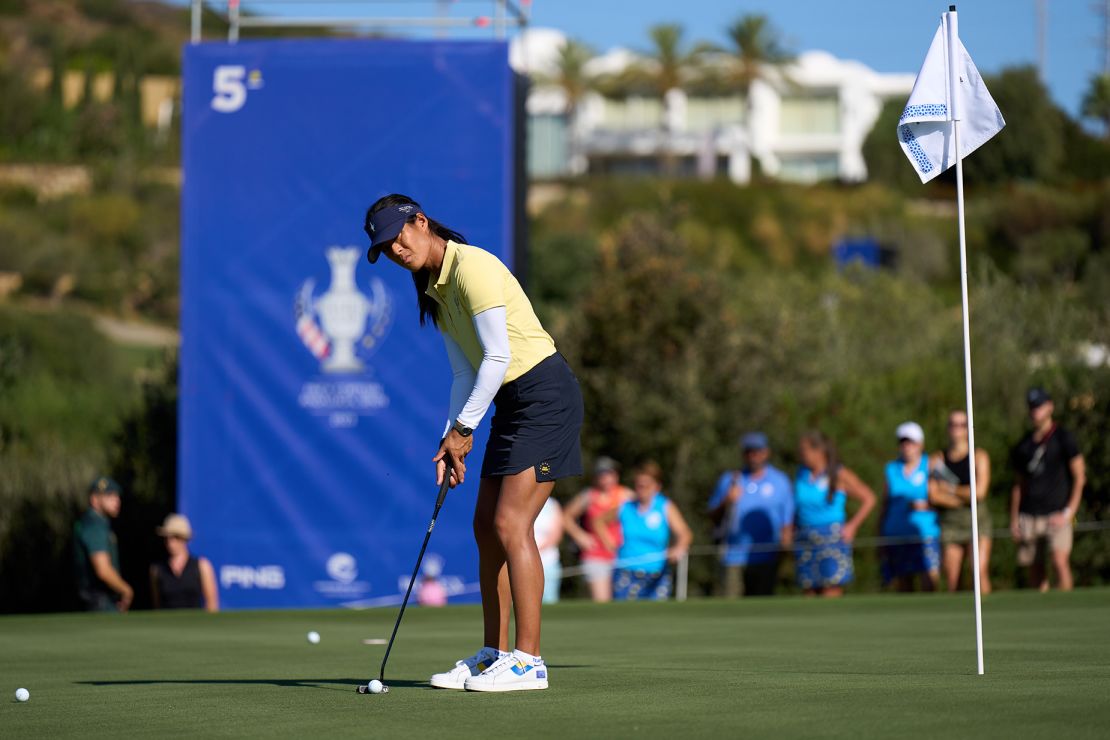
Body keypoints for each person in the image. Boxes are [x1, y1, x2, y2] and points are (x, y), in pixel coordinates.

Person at [364, 194, 583, 692]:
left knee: (511, 523)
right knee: (486, 526)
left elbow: (498, 356)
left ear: (421, 222)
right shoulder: (433, 290)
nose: (396, 250)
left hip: (545, 395)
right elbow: (465, 370)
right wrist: (451, 436)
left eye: (399, 236)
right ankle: (494, 653)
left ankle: (529, 662)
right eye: (386, 247)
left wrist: (465, 431)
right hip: (511, 402)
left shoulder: (473, 267)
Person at [1009, 388, 1086, 592]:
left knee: (1059, 561)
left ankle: (1068, 611)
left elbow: (1080, 477)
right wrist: (1014, 517)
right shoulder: (1024, 445)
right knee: (1035, 569)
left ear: (1050, 407)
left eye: (1040, 406)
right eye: (1032, 407)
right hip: (1030, 513)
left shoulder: (1063, 437)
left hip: (1057, 512)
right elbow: (1018, 485)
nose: (1036, 411)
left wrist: (1069, 513)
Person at [707, 432, 794, 597]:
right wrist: (727, 501)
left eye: (757, 451)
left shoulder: (780, 481)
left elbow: (787, 522)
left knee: (763, 608)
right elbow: (712, 516)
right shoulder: (730, 479)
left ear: (766, 452)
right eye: (749, 451)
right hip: (733, 557)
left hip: (768, 557)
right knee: (732, 608)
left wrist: (785, 552)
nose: (753, 456)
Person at [793, 431, 876, 597]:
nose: (802, 455)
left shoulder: (838, 473)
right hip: (805, 537)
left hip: (831, 537)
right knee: (808, 588)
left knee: (831, 587)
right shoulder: (802, 474)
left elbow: (869, 498)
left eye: (805, 450)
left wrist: (852, 526)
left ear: (818, 451)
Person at [929, 410, 993, 593]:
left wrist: (949, 489)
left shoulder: (979, 456)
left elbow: (979, 492)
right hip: (950, 523)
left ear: (968, 428)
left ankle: (987, 615)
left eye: (962, 424)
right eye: (952, 424)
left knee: (978, 571)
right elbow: (934, 495)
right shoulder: (938, 458)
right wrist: (963, 497)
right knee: (952, 577)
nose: (956, 428)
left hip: (977, 520)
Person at [611, 462, 693, 601]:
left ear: (656, 486)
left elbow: (684, 533)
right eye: (638, 485)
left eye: (646, 485)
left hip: (657, 574)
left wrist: (679, 547)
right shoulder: (626, 507)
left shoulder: (664, 506)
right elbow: (598, 521)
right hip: (626, 572)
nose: (641, 489)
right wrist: (610, 544)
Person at [879, 422, 941, 592]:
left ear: (920, 444)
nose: (906, 446)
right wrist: (880, 535)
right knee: (903, 586)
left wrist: (927, 504)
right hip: (896, 534)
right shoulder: (891, 469)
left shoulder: (932, 464)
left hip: (925, 533)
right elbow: (884, 504)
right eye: (903, 442)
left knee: (929, 582)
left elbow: (947, 496)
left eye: (911, 442)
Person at [562, 457, 631, 602]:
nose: (606, 479)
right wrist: (580, 536)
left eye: (609, 474)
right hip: (596, 554)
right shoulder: (589, 496)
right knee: (602, 601)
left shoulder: (626, 495)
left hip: (622, 554)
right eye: (602, 475)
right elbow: (565, 516)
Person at [73, 476, 132, 612]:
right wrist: (126, 590)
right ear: (94, 500)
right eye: (110, 496)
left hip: (95, 601)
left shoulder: (93, 522)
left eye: (117, 496)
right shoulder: (95, 524)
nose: (116, 500)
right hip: (99, 602)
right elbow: (103, 570)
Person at [149, 514, 219, 612]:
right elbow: (157, 605)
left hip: (196, 625)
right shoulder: (156, 570)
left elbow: (212, 604)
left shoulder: (202, 566)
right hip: (167, 625)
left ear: (185, 539)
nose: (170, 542)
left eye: (176, 537)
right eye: (167, 537)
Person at [533, 497, 564, 604]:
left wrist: (530, 552)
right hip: (522, 562)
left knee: (549, 600)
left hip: (548, 561)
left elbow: (557, 534)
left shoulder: (552, 504)